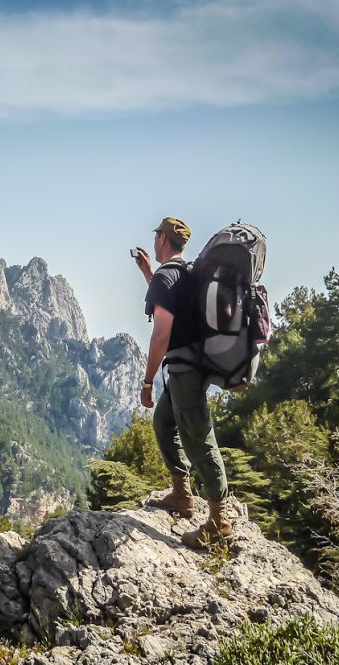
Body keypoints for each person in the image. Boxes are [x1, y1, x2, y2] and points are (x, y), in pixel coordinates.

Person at [133, 217, 232, 547]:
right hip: (194, 366)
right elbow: (172, 302)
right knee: (164, 421)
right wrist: (148, 273)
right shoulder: (183, 272)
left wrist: (147, 383)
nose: (156, 240)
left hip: (185, 371)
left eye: (157, 235)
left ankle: (220, 520)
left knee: (198, 438)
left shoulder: (168, 277)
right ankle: (181, 493)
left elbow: (161, 333)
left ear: (162, 239)